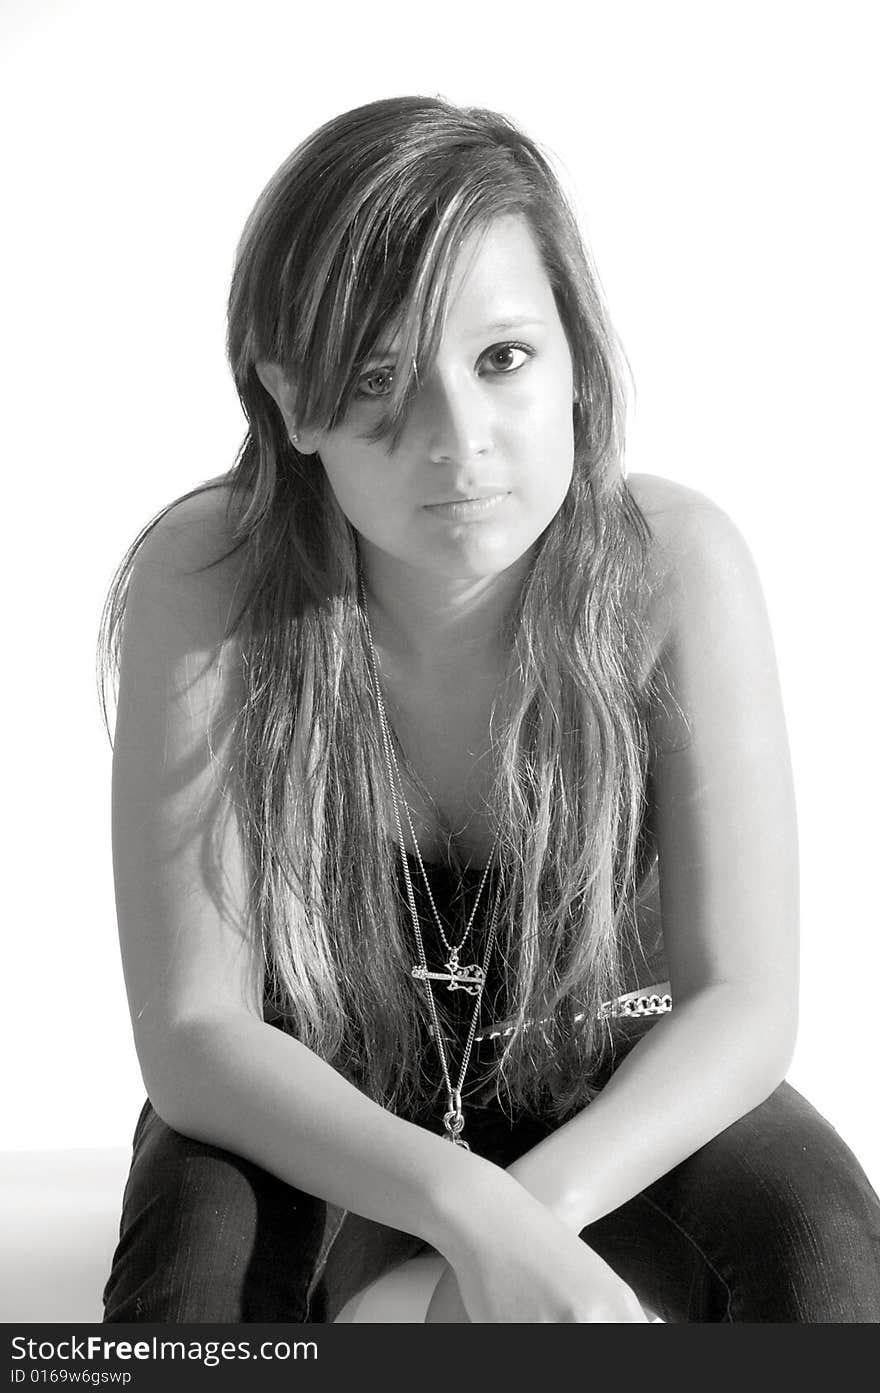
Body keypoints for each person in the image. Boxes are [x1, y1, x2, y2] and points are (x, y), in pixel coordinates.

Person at [98, 94, 880, 1324]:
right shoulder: (212, 577)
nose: (458, 439)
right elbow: (196, 1030)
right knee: (190, 1287)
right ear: (292, 397)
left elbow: (746, 1001)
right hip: (312, 1096)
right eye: (377, 376)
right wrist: (467, 1214)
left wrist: (538, 1225)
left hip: (612, 1082)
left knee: (827, 1253)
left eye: (503, 359)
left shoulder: (673, 562)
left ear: (576, 360)